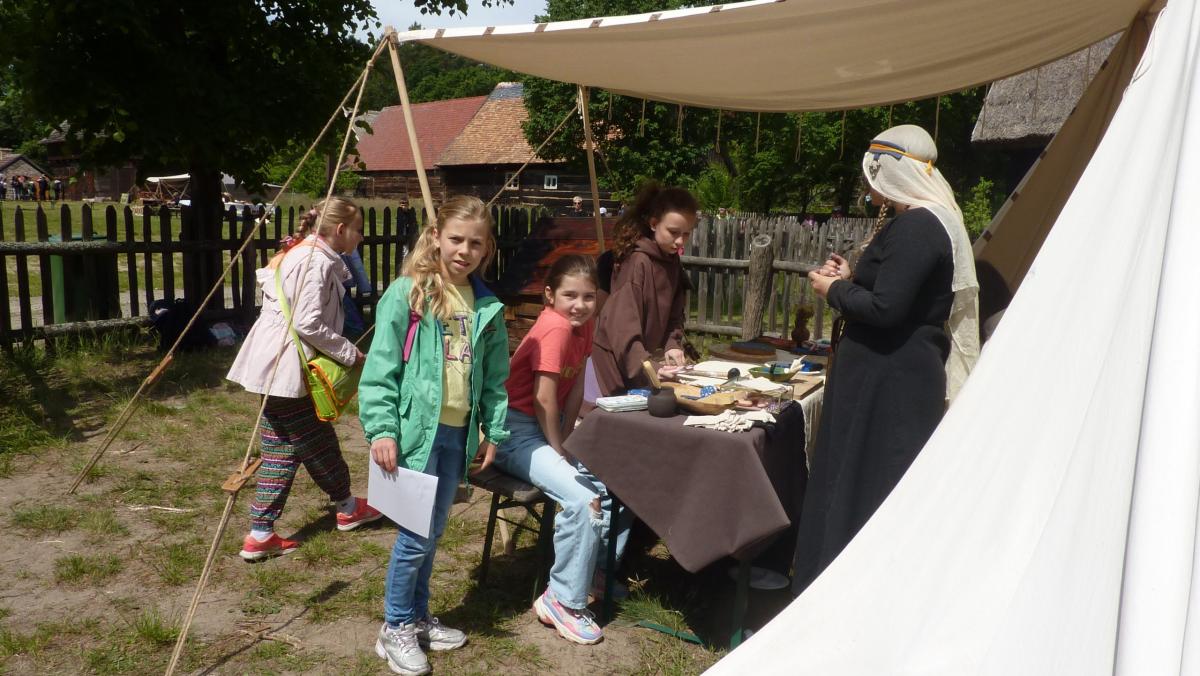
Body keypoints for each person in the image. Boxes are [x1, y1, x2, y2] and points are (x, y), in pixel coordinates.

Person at [792, 124, 980, 594]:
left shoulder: (919, 225)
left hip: (886, 382)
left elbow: (887, 310)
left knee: (865, 485)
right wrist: (853, 276)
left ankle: (843, 592)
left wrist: (834, 289)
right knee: (861, 480)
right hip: (889, 375)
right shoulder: (925, 221)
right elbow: (900, 292)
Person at [359, 195, 511, 676]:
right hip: (413, 434)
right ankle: (395, 626)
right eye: (456, 239)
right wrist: (383, 430)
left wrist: (492, 430)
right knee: (414, 535)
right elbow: (381, 368)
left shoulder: (486, 305)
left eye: (476, 243)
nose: (465, 251)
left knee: (434, 531)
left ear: (487, 248)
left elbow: (494, 377)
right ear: (436, 237)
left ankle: (419, 617)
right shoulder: (409, 294)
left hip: (457, 435)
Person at [225, 197, 381, 561]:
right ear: (340, 229)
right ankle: (347, 507)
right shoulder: (315, 261)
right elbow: (307, 322)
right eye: (358, 230)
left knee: (281, 448)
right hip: (285, 366)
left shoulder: (305, 254)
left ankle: (261, 532)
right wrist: (349, 353)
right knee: (317, 442)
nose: (360, 237)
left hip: (275, 364)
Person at [494, 255, 625, 645]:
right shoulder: (555, 327)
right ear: (550, 295)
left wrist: (569, 440)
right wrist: (560, 450)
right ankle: (562, 600)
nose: (579, 305)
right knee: (584, 498)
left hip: (547, 426)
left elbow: (574, 390)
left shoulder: (583, 326)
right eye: (570, 295)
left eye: (588, 297)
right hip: (516, 431)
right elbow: (543, 400)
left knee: (615, 481)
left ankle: (591, 572)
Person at [590, 182, 697, 396]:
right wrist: (652, 369)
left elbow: (674, 315)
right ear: (654, 223)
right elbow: (623, 331)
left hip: (638, 364)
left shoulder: (671, 261)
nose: (680, 241)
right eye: (673, 232)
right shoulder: (636, 263)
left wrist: (672, 345)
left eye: (686, 234)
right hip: (612, 367)